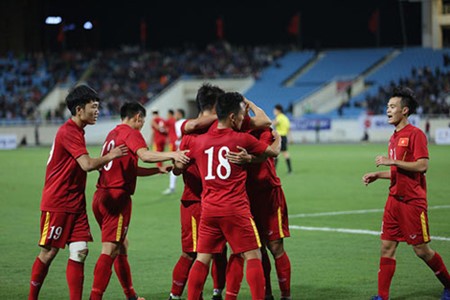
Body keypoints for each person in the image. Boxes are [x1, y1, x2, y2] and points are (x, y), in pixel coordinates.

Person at [175, 92, 281, 300]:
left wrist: (176, 161)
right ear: (233, 117)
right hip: (236, 209)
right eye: (242, 115)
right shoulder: (242, 139)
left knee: (202, 259)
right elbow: (272, 153)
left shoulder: (199, 142)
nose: (243, 119)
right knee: (253, 255)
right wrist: (277, 140)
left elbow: (179, 165)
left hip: (209, 210)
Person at [28, 84, 128, 300]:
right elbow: (86, 164)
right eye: (94, 107)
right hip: (58, 202)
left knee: (80, 251)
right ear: (79, 109)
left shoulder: (77, 131)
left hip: (76, 202)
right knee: (49, 252)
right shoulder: (68, 131)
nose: (97, 111)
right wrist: (111, 156)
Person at [89, 102, 189, 300]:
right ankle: (95, 297)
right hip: (117, 199)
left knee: (121, 245)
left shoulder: (112, 134)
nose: (142, 125)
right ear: (137, 118)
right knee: (110, 249)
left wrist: (155, 171)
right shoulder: (131, 133)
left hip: (100, 197)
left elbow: (127, 168)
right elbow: (144, 155)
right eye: (142, 121)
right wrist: (172, 154)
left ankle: (131, 295)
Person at [362, 86, 450, 300]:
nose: (388, 110)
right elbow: (397, 171)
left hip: (412, 202)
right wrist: (378, 175)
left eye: (392, 106)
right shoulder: (394, 137)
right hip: (393, 201)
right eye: (387, 106)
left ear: (405, 110)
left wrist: (392, 161)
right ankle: (382, 296)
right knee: (387, 247)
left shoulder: (415, 134)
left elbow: (422, 166)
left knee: (422, 251)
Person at [226, 127, 292, 300]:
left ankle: (286, 295)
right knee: (257, 249)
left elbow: (269, 153)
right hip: (244, 198)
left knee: (276, 246)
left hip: (269, 194)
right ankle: (267, 293)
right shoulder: (230, 134)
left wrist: (250, 158)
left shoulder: (262, 130)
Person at [162, 109, 187, 195]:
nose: (174, 116)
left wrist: (177, 140)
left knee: (176, 167)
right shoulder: (186, 122)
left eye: (176, 114)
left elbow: (181, 135)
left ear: (180, 114)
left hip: (181, 148)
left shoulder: (179, 123)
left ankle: (172, 187)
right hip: (187, 148)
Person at [272, 104, 292, 174]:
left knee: (276, 153)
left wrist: (272, 122)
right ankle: (290, 170)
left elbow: (274, 123)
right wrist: (290, 138)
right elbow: (288, 128)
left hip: (279, 137)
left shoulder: (279, 117)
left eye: (275, 110)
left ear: (278, 110)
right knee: (285, 153)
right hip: (284, 136)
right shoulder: (285, 118)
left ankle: (273, 171)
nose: (274, 111)